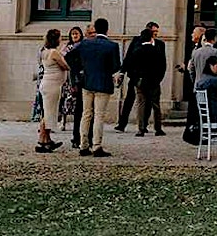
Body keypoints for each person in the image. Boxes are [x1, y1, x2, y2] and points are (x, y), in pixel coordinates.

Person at [74, 17, 123, 157]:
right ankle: (96, 146)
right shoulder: (112, 46)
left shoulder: (85, 44)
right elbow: (115, 66)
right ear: (107, 29)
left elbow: (71, 57)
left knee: (86, 114)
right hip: (103, 83)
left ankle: (83, 145)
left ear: (95, 28)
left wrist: (81, 71)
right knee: (99, 116)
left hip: (87, 82)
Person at [114, 22, 156, 133]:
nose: (155, 34)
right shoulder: (137, 41)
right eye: (154, 31)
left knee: (146, 101)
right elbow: (128, 57)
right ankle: (122, 124)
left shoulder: (157, 43)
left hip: (149, 77)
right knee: (129, 99)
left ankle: (143, 124)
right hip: (134, 75)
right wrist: (123, 71)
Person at [36, 28, 69, 153]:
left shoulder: (45, 51)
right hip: (52, 86)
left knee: (47, 113)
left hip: (47, 84)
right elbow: (65, 66)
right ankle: (42, 140)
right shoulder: (54, 52)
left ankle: (47, 140)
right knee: (48, 115)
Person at [132, 25, 167, 137]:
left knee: (141, 104)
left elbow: (133, 67)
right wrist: (158, 78)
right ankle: (158, 128)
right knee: (156, 105)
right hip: (154, 80)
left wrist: (136, 79)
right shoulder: (157, 50)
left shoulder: (137, 50)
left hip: (141, 80)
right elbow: (162, 66)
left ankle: (141, 128)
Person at [60, 26, 85, 148]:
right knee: (67, 101)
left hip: (77, 79)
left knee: (78, 108)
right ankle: (63, 121)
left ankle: (78, 135)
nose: (75, 36)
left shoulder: (82, 46)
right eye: (73, 34)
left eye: (77, 33)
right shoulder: (67, 48)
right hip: (70, 79)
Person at [195, 58, 217, 125]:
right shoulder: (215, 81)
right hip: (216, 115)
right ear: (211, 66)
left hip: (204, 116)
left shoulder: (201, 80)